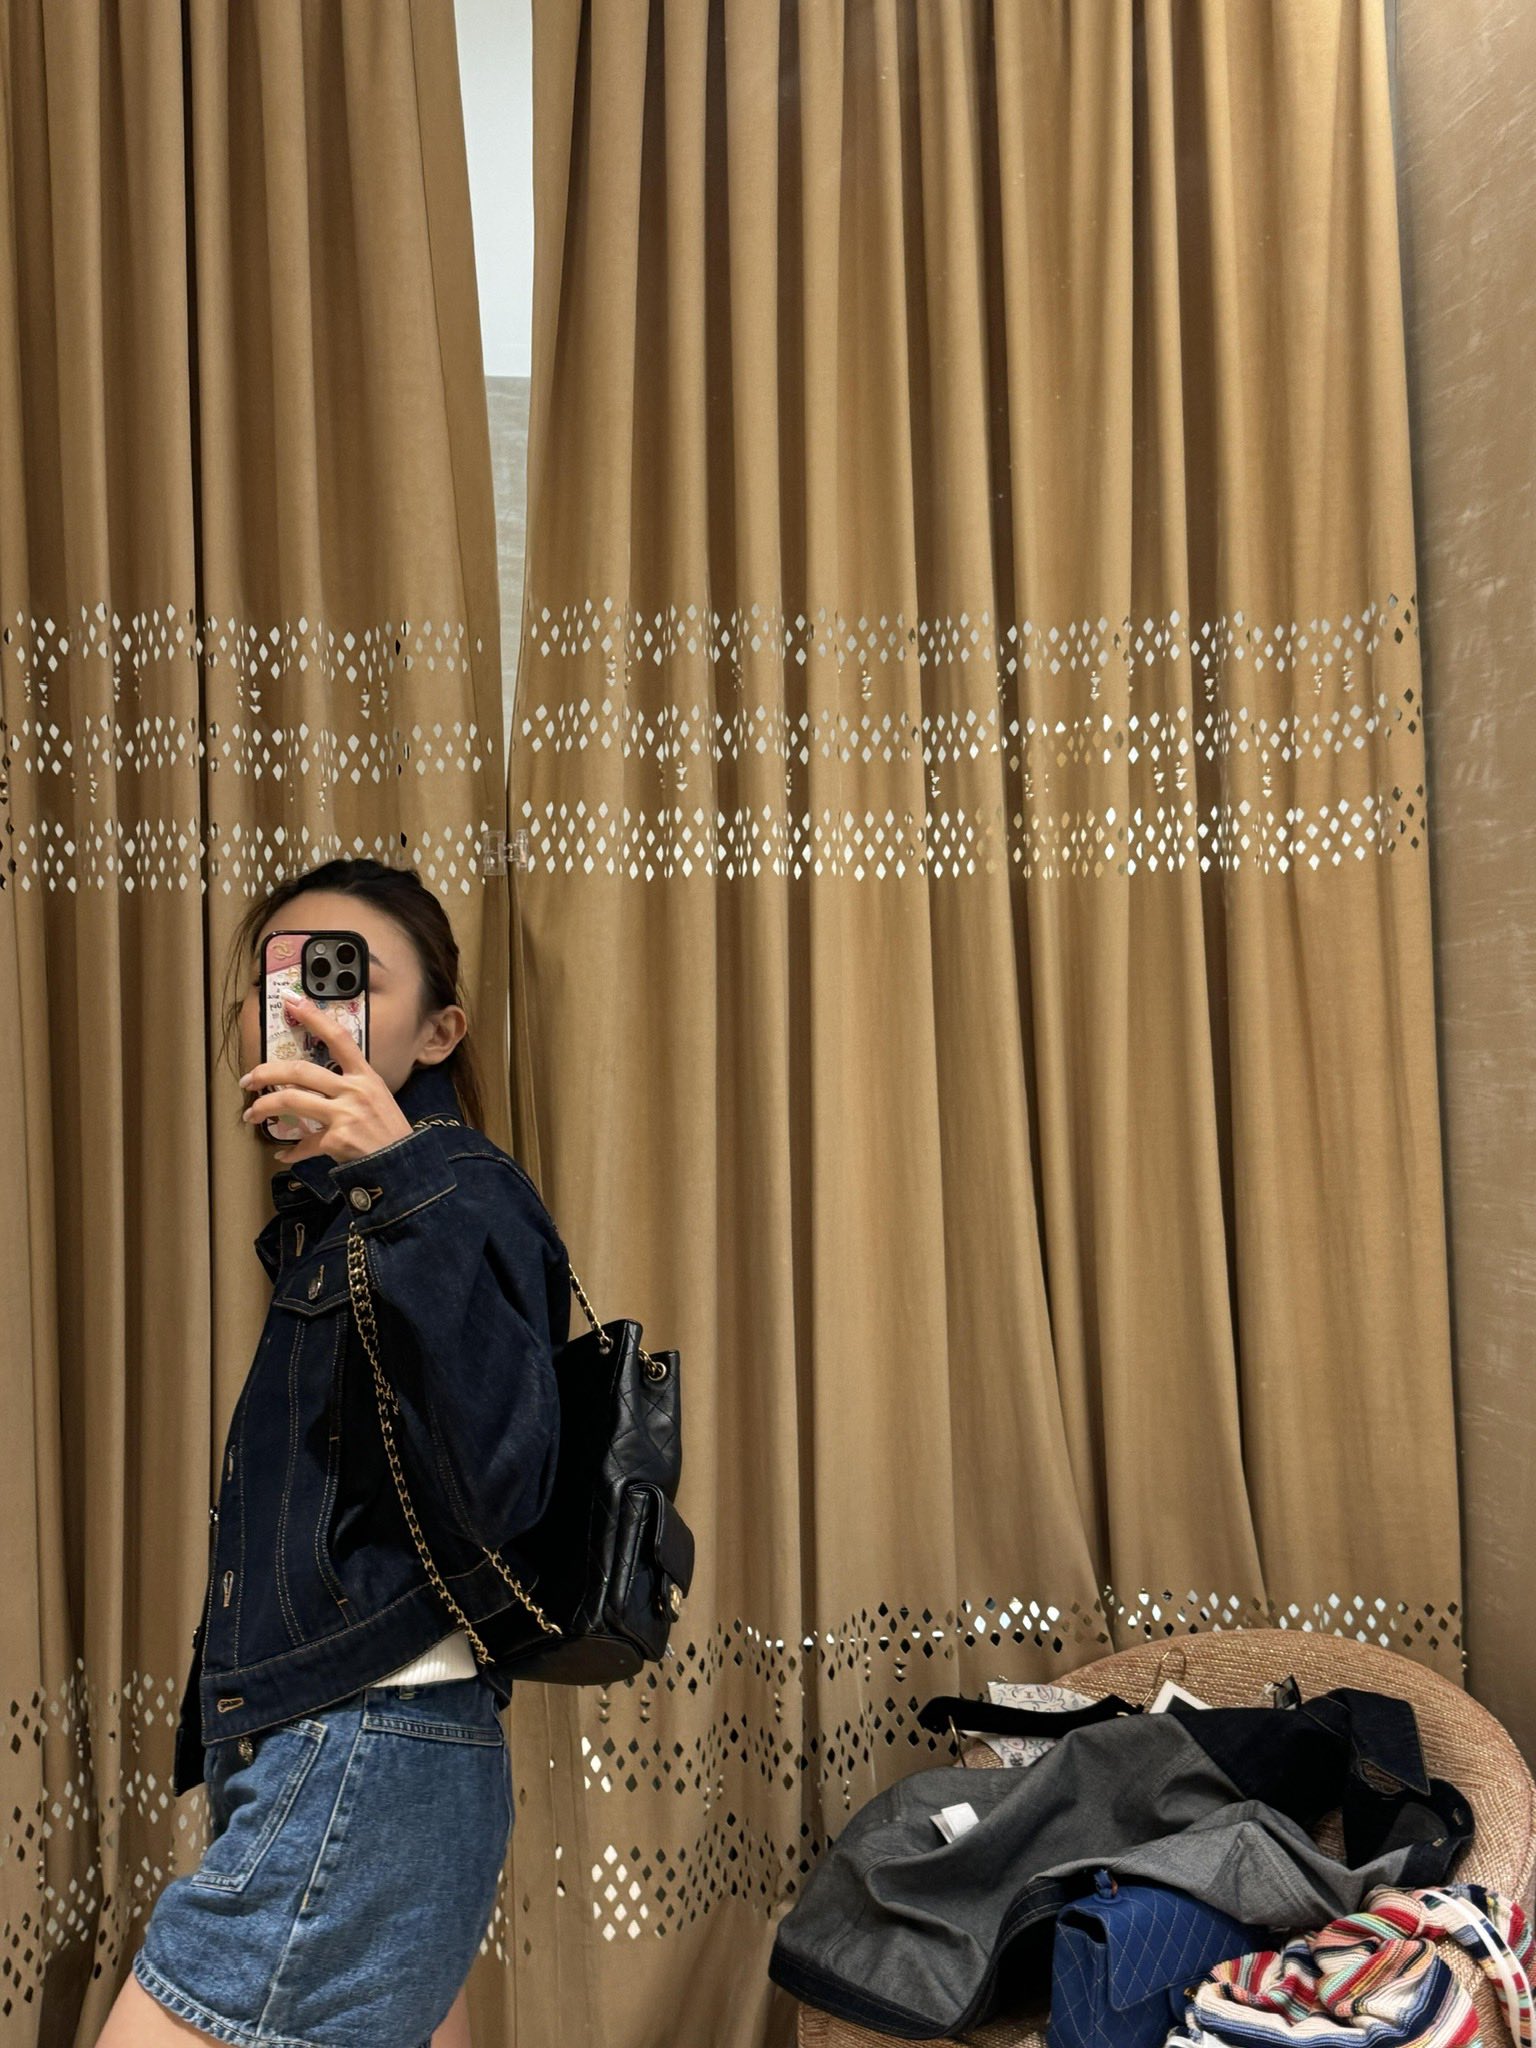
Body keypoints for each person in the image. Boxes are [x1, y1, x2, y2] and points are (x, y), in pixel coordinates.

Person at [98, 858, 570, 2048]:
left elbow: (507, 1479)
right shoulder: (342, 1218)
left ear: (438, 1030)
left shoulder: (454, 1190)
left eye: (344, 981)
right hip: (355, 1742)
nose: (305, 1013)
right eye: (282, 984)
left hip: (365, 1741)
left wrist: (400, 1182)